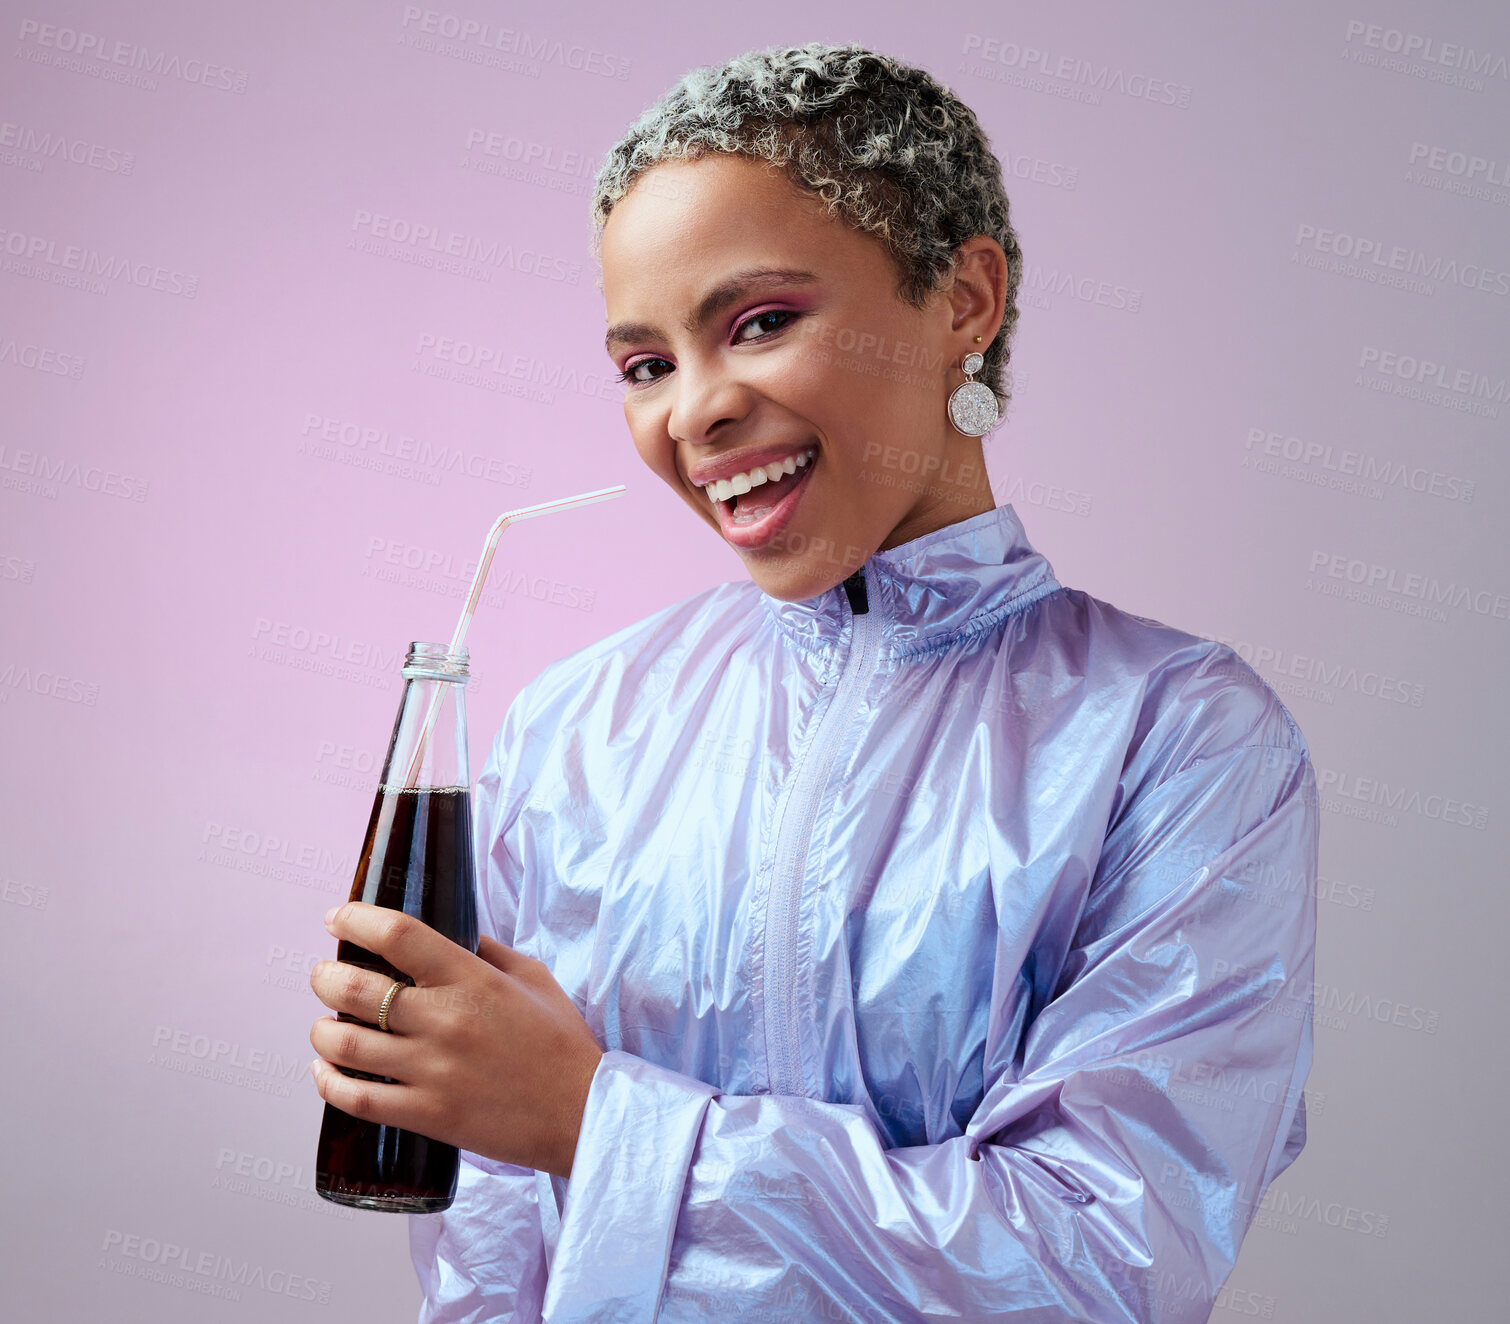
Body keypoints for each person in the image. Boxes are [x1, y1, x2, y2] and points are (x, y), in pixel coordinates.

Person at [309, 42, 1319, 1323]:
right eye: (644, 364)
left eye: (761, 323)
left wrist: (596, 1120)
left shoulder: (1175, 740)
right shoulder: (580, 724)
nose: (694, 411)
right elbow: (496, 1241)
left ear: (964, 298)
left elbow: (1099, 1261)